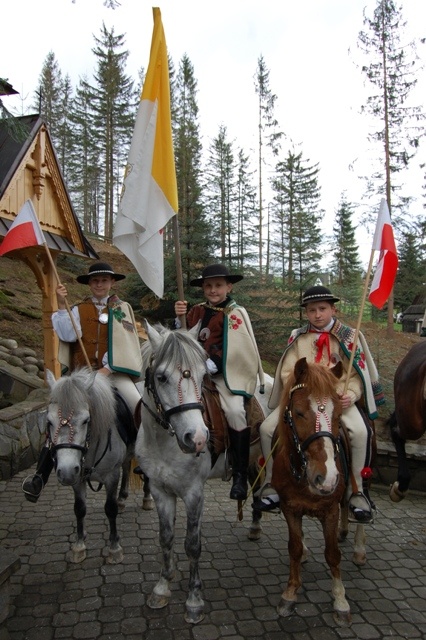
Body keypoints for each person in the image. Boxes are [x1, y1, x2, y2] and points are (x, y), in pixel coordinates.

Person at [253, 285, 384, 524]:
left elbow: (357, 375)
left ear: (333, 309)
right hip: (306, 401)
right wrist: (303, 390)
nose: (317, 314)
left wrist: (351, 395)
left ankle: (357, 491)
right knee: (266, 429)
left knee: (360, 431)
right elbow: (286, 371)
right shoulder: (298, 337)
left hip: (337, 400)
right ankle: (271, 483)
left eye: (322, 309)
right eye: (311, 310)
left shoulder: (349, 337)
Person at [22, 262, 143, 502]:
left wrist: (108, 370)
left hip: (113, 372)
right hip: (82, 375)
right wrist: (58, 302)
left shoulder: (122, 307)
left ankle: (142, 458)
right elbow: (67, 335)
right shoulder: (77, 308)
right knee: (58, 416)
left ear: (112, 282)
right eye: (95, 280)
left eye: (104, 280)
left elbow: (127, 343)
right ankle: (40, 476)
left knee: (137, 404)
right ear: (89, 284)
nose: (99, 284)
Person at [174, 263, 265, 501]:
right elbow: (183, 338)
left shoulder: (236, 314)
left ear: (229, 286)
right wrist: (179, 317)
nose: (213, 290)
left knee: (235, 411)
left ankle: (240, 475)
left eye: (218, 285)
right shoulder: (195, 311)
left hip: (224, 375)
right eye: (208, 286)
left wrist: (209, 366)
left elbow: (237, 349)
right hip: (192, 373)